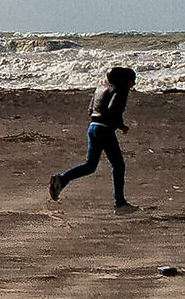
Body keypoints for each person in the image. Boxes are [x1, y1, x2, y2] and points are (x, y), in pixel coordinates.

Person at [50, 66, 135, 210]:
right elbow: (113, 110)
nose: (134, 84)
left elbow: (91, 110)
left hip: (93, 127)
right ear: (125, 80)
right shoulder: (121, 89)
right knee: (118, 165)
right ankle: (120, 202)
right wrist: (120, 125)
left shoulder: (100, 88)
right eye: (133, 80)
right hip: (105, 130)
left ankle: (62, 180)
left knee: (90, 166)